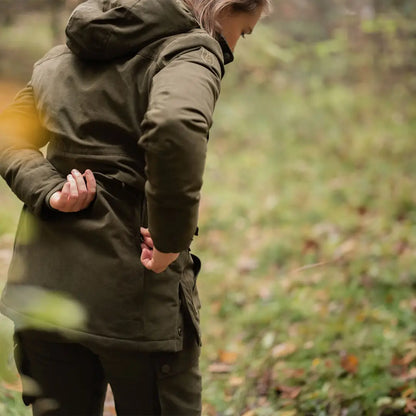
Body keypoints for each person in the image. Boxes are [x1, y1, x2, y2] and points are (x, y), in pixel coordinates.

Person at [0, 0, 271, 414]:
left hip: (45, 290)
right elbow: (175, 125)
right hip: (135, 300)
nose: (237, 42)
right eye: (244, 31)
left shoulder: (63, 56)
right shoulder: (190, 52)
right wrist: (168, 240)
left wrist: (49, 189)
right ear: (225, 8)